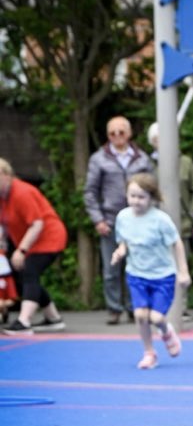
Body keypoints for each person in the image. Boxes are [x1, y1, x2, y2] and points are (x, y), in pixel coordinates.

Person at [112, 173, 190, 369]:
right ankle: (149, 353)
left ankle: (166, 331)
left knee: (156, 318)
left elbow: (176, 243)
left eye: (141, 197)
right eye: (132, 196)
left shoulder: (160, 220)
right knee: (140, 315)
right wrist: (120, 252)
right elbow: (124, 241)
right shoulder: (123, 217)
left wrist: (183, 271)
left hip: (162, 276)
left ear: (152, 198)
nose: (136, 201)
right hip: (136, 274)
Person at [83, 115, 154, 324]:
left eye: (121, 132)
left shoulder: (142, 158)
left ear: (129, 134)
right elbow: (90, 192)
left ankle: (135, 307)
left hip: (138, 220)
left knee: (138, 267)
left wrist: (150, 217)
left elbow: (153, 188)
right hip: (111, 221)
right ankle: (114, 309)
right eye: (112, 133)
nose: (117, 136)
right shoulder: (98, 159)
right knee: (111, 269)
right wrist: (98, 219)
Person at [0, 158, 67, 335]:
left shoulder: (22, 192)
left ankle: (24, 322)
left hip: (49, 237)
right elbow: (5, 224)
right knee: (25, 274)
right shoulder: (2, 198)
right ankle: (53, 318)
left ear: (6, 175)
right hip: (30, 241)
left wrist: (21, 250)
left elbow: (37, 224)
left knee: (29, 271)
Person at [147, 122, 193, 317]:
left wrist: (190, 214)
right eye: (158, 140)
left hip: (182, 224)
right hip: (154, 225)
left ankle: (181, 306)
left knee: (181, 264)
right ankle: (159, 305)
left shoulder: (186, 162)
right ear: (153, 142)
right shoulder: (148, 164)